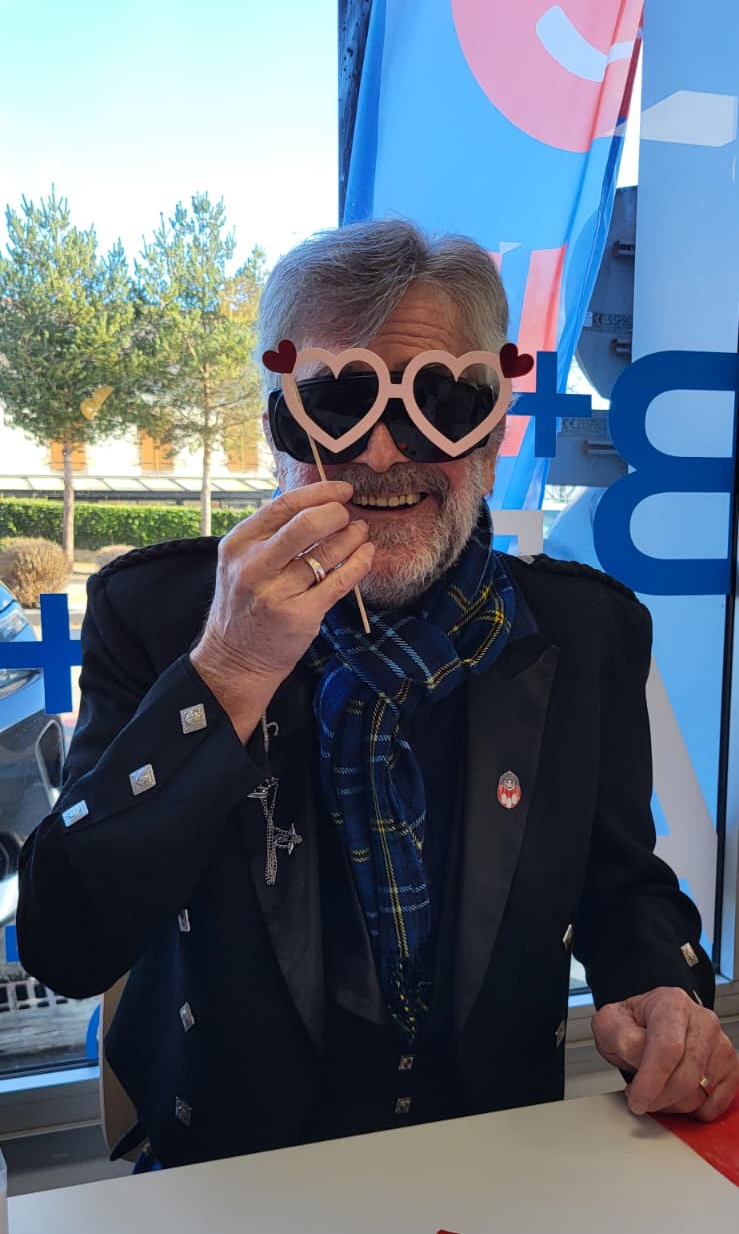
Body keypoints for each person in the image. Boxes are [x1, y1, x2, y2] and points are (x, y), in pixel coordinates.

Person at [15, 218, 738, 1169]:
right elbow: (66, 943)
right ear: (279, 430)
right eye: (336, 403)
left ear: (490, 432)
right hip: (229, 1176)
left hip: (496, 1160)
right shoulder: (158, 617)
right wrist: (228, 669)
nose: (384, 454)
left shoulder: (584, 632)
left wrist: (654, 988)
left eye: (439, 400)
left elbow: (619, 882)